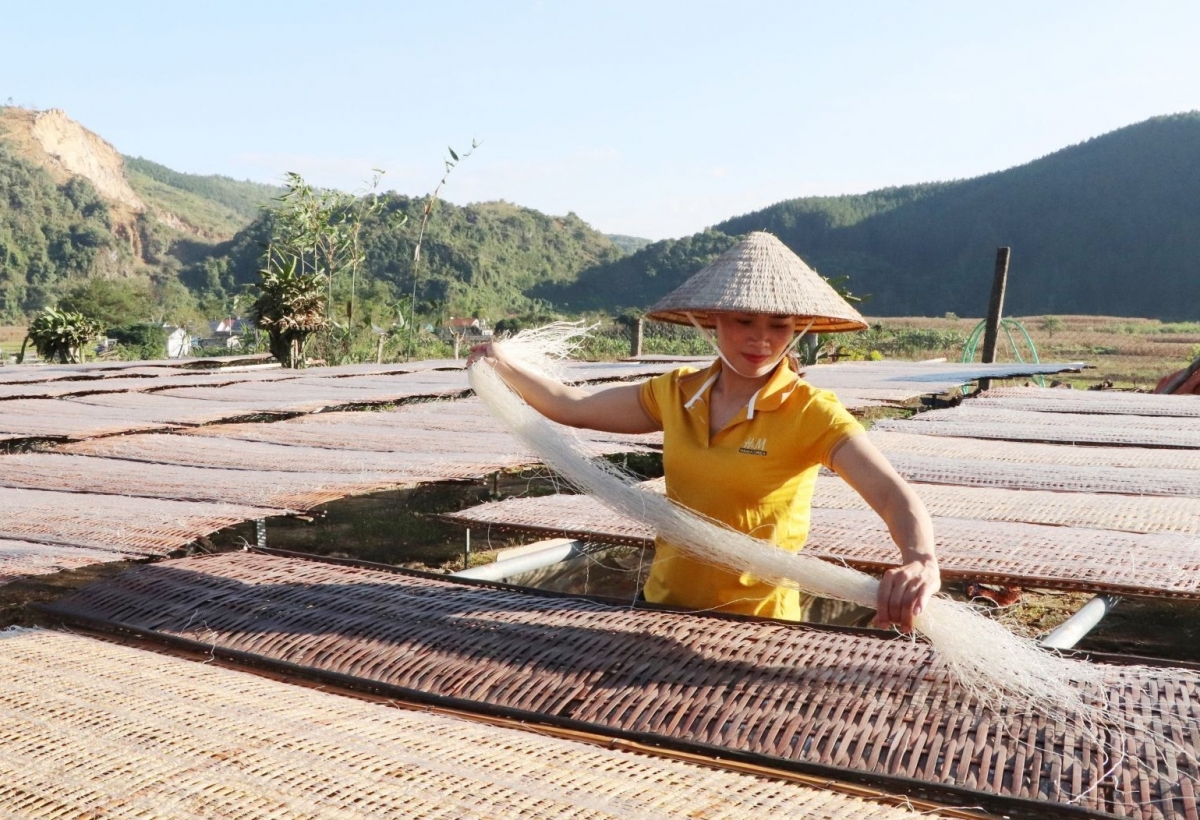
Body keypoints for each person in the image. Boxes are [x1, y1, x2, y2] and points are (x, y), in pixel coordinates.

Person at [468, 232, 939, 632]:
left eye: (778, 325)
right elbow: (572, 406)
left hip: (759, 625)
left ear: (798, 329)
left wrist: (920, 559)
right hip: (663, 607)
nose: (761, 339)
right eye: (744, 321)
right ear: (713, 320)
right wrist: (501, 364)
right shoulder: (676, 393)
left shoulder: (810, 412)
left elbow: (890, 493)